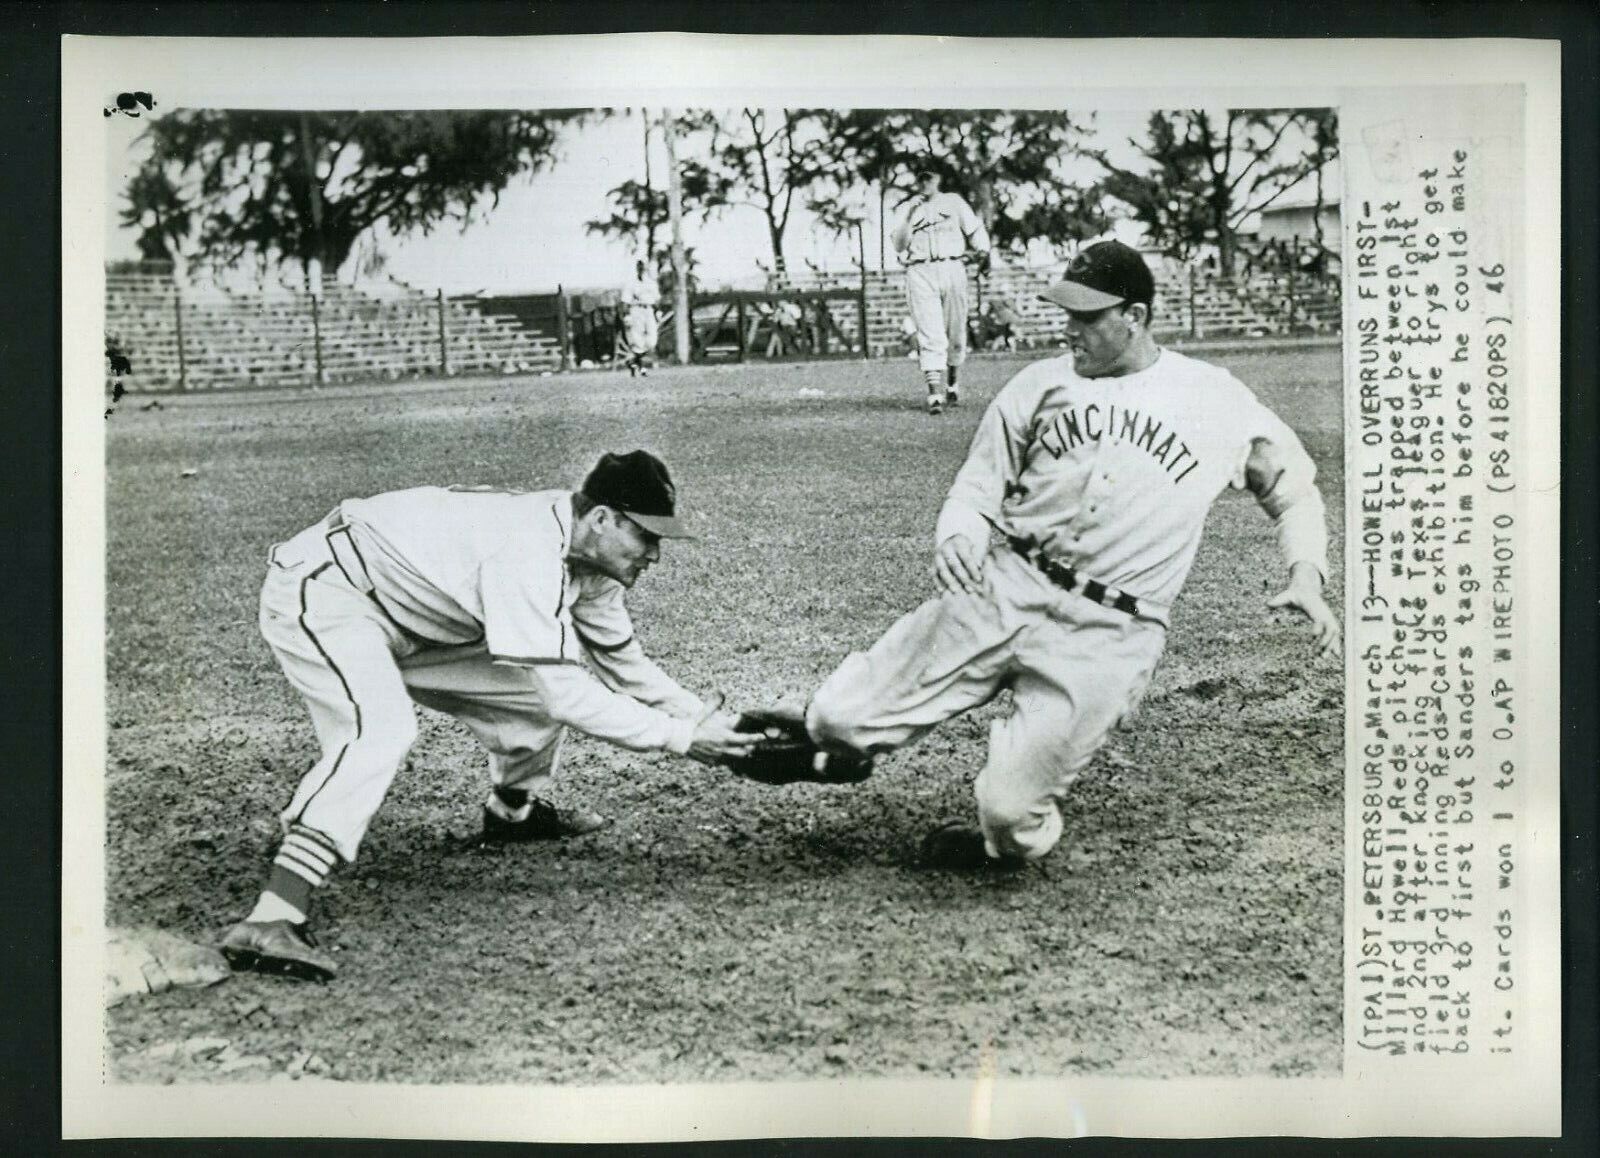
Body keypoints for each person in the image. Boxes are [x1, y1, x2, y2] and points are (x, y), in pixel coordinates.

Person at [803, 241, 1340, 870]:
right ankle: (839, 750)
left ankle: (1001, 836)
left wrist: (1306, 575)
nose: (1070, 330)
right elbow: (980, 481)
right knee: (834, 718)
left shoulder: (1214, 399)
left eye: (1087, 318)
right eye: (1068, 315)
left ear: (1134, 317)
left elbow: (1294, 492)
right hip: (1006, 585)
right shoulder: (1040, 382)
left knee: (1008, 818)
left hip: (1110, 632)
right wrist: (959, 535)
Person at [221, 450, 757, 980]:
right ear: (600, 519)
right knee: (380, 730)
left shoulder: (592, 565)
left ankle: (511, 814)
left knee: (529, 694)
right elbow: (568, 696)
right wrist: (682, 739)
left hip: (426, 618)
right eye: (646, 534)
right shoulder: (527, 550)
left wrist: (707, 722)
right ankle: (272, 916)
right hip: (331, 592)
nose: (655, 553)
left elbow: (622, 662)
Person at [891, 162, 991, 415]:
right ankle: (934, 392)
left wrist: (983, 252)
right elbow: (899, 245)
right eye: (921, 178)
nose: (925, 183)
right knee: (930, 330)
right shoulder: (908, 208)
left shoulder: (953, 202)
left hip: (952, 266)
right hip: (920, 269)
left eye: (930, 178)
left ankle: (953, 383)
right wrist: (910, 215)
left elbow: (975, 230)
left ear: (938, 179)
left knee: (955, 330)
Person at [620, 260, 662, 377]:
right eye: (639, 266)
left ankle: (632, 361)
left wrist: (658, 311)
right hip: (636, 310)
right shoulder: (631, 283)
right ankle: (642, 367)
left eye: (643, 266)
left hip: (649, 310)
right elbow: (625, 301)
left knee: (652, 340)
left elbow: (656, 299)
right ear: (636, 268)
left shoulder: (651, 283)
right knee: (637, 339)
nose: (641, 269)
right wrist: (627, 315)